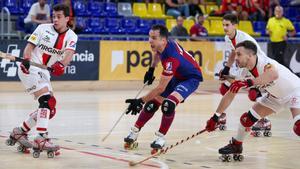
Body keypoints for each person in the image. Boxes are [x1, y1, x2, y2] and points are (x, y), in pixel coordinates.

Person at [205, 40, 300, 161]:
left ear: (250, 55)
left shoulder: (265, 62)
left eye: (239, 54)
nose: (236, 58)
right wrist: (216, 116)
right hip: (274, 98)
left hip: (294, 92)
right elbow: (230, 94)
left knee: (299, 127)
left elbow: (273, 74)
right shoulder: (243, 72)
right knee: (246, 119)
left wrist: (248, 82)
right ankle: (236, 145)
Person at [6, 4, 78, 157]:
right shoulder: (42, 29)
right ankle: (41, 137)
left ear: (67, 18)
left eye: (59, 17)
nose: (55, 19)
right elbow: (29, 48)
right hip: (30, 68)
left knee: (50, 108)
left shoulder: (72, 36)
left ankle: (20, 131)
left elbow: (69, 54)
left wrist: (61, 64)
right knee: (45, 100)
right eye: (54, 16)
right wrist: (26, 60)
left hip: (44, 73)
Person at [124, 24, 203, 153]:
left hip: (190, 78)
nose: (150, 40)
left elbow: (160, 88)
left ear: (163, 40)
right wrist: (151, 69)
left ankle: (160, 138)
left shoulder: (172, 59)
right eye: (150, 37)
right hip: (177, 75)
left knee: (168, 105)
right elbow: (157, 53)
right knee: (152, 104)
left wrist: (140, 101)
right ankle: (134, 131)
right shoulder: (163, 44)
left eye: (153, 38)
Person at [217, 13, 272, 131]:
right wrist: (227, 68)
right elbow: (233, 52)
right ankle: (222, 116)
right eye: (223, 25)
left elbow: (250, 59)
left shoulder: (244, 39)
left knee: (253, 93)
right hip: (245, 65)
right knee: (225, 88)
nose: (225, 28)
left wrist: (229, 75)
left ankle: (265, 121)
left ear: (235, 25)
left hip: (257, 65)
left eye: (227, 25)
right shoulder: (228, 38)